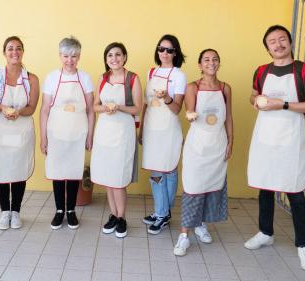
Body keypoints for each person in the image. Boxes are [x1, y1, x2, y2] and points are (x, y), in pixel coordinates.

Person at [244, 25, 305, 272]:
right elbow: (253, 94)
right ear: (267, 48)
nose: (277, 45)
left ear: (289, 42)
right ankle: (265, 232)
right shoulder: (261, 71)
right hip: (265, 137)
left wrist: (282, 104)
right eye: (271, 42)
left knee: (295, 191)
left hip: (290, 139)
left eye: (281, 40)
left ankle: (304, 246)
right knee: (265, 187)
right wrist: (255, 100)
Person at [174, 49, 233, 256]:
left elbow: (229, 118)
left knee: (211, 186)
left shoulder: (225, 88)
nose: (211, 62)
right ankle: (183, 236)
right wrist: (190, 114)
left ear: (219, 63)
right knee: (193, 187)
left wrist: (231, 142)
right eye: (206, 60)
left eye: (215, 59)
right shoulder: (193, 87)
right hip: (197, 147)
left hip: (218, 144)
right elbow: (189, 109)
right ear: (199, 65)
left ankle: (200, 225)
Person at [0, 36, 39, 230]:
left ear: (23, 51)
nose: (14, 52)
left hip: (21, 130)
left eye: (18, 48)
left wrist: (18, 112)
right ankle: (4, 212)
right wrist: (4, 107)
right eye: (10, 48)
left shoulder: (31, 78)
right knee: (1, 170)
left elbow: (31, 107)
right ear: (4, 52)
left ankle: (15, 212)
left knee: (18, 169)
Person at [40, 37, 95, 230]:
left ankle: (70, 210)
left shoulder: (85, 78)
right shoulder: (52, 78)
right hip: (55, 132)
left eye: (73, 56)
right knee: (57, 172)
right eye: (65, 56)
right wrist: (43, 137)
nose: (69, 60)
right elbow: (45, 109)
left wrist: (90, 136)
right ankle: (59, 211)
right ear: (60, 56)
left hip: (78, 133)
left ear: (79, 56)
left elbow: (90, 109)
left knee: (73, 171)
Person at [91, 42, 142, 238]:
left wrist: (118, 107)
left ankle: (122, 218)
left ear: (125, 57)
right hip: (104, 132)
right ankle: (113, 215)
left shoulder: (133, 79)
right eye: (110, 55)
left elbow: (137, 108)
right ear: (106, 59)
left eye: (118, 55)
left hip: (123, 133)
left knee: (118, 178)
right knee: (107, 177)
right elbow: (95, 105)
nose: (114, 58)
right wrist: (105, 108)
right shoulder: (103, 79)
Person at [139, 34, 187, 235]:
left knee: (167, 169)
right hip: (151, 127)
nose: (164, 53)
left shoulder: (179, 76)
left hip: (168, 128)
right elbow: (145, 104)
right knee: (155, 170)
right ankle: (163, 212)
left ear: (176, 53)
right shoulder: (152, 72)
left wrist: (167, 97)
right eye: (161, 49)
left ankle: (162, 213)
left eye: (169, 50)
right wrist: (141, 128)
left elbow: (177, 109)